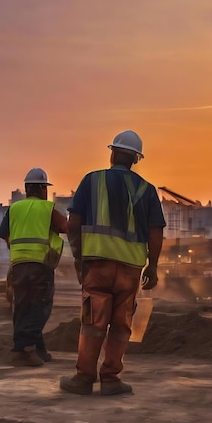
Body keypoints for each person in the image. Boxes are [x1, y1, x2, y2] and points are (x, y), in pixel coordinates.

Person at [60, 130, 165, 396]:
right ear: (136, 159)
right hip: (130, 270)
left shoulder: (91, 181)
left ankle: (84, 378)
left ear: (112, 153)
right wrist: (152, 266)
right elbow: (155, 232)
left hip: (97, 266)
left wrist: (78, 258)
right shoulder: (147, 190)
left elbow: (73, 224)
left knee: (92, 322)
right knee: (121, 326)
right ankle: (111, 378)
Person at [0, 168, 68, 367]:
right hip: (40, 265)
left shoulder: (14, 209)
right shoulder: (47, 209)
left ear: (27, 188)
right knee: (40, 307)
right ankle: (21, 350)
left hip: (18, 265)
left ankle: (38, 349)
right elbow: (66, 227)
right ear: (43, 189)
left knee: (22, 306)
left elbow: (5, 234)